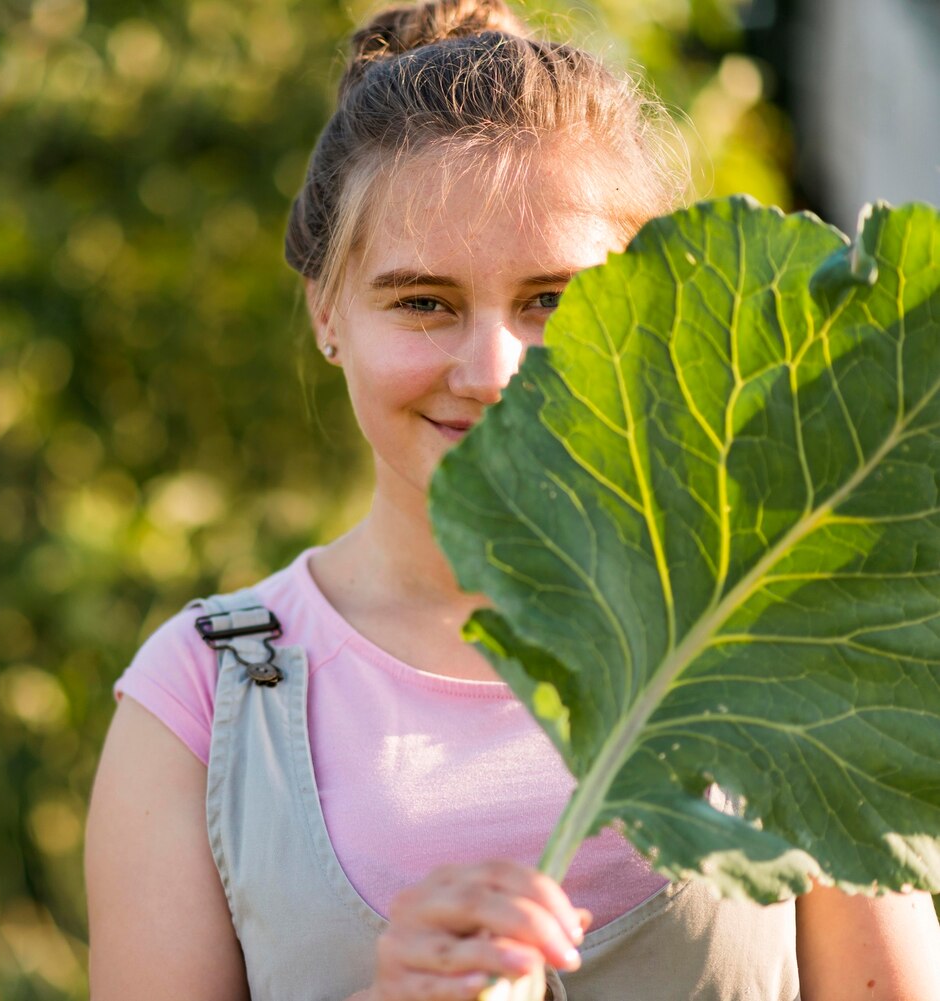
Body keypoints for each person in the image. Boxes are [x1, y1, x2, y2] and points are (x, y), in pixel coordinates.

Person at [84, 2, 940, 999]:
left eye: (555, 300)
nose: (491, 368)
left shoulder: (787, 637)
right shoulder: (202, 697)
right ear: (327, 311)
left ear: (650, 311)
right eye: (422, 302)